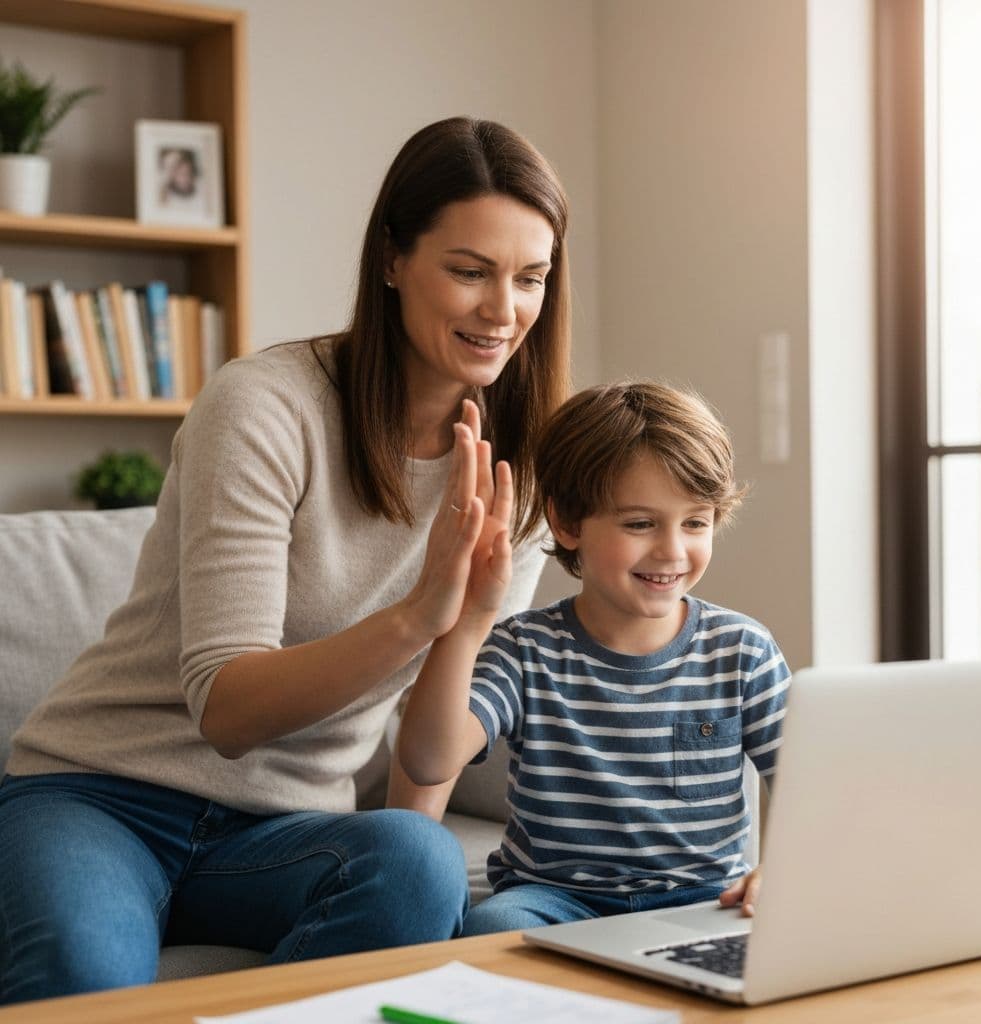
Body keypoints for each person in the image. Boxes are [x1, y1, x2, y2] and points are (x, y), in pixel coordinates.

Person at [0, 116, 571, 1005]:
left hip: (283, 832)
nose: (504, 311)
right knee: (84, 977)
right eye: (469, 271)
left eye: (529, 278)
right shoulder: (266, 407)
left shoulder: (519, 468)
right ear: (392, 259)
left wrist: (466, 622)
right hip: (101, 797)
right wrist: (421, 611)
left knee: (423, 862)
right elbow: (227, 709)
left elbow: (428, 752)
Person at [398, 381, 791, 936]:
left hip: (704, 900)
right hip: (551, 899)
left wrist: (783, 872)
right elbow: (429, 761)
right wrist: (465, 626)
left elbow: (811, 791)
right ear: (568, 525)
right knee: (492, 929)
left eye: (695, 522)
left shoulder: (743, 652)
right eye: (640, 523)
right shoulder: (523, 649)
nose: (672, 551)